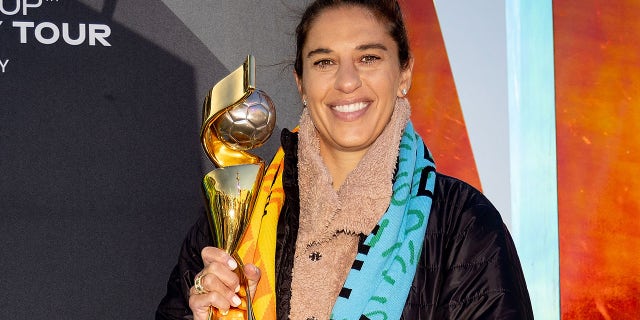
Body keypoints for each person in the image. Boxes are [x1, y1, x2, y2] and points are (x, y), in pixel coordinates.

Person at [156, 0, 534, 319]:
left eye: (368, 57)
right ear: (301, 83)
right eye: (324, 62)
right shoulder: (234, 218)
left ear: (404, 73)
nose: (347, 80)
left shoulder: (464, 224)